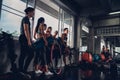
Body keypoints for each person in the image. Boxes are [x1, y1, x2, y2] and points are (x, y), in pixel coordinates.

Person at [18, 7, 34, 73]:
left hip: (26, 38)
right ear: (29, 12)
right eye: (33, 12)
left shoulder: (27, 19)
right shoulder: (25, 19)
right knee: (24, 54)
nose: (33, 13)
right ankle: (21, 70)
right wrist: (29, 40)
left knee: (28, 54)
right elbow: (25, 30)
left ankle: (23, 70)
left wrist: (30, 39)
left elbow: (28, 31)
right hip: (24, 38)